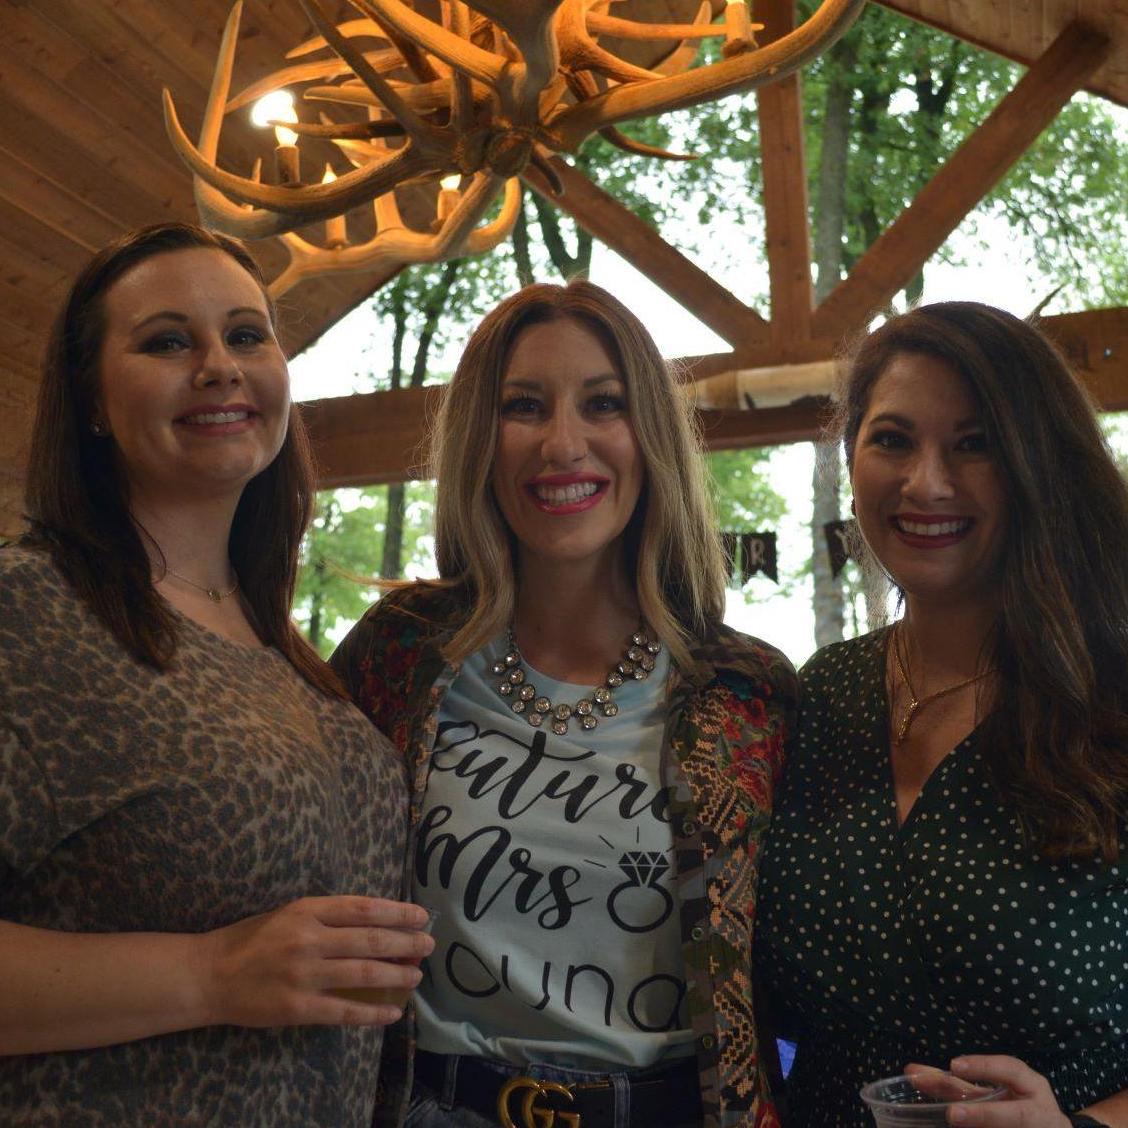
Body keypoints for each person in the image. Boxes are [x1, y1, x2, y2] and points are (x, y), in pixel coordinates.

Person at [330, 280, 797, 1128]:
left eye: (604, 404)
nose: (562, 443)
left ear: (649, 433)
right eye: (523, 407)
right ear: (480, 437)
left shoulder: (748, 691)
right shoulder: (399, 653)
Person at [0, 222, 433, 1125]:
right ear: (89, 399)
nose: (219, 366)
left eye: (246, 335)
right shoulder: (29, 609)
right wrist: (209, 974)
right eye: (167, 341)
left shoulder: (285, 651)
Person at [756, 302, 1128, 1126]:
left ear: (1041, 464)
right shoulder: (821, 694)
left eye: (976, 444)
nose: (927, 481)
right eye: (892, 439)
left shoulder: (1112, 693)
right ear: (851, 457)